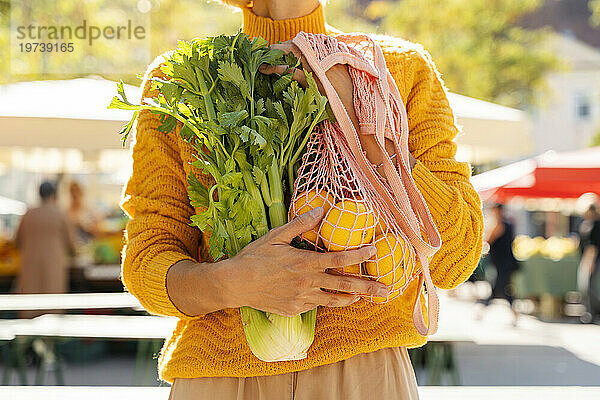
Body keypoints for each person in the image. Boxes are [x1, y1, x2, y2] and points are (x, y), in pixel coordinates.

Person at [120, 1, 484, 398]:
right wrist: (230, 284)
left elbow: (455, 258)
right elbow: (146, 260)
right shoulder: (184, 80)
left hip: (363, 377)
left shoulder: (396, 69)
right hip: (221, 378)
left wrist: (361, 121)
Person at [13, 181, 77, 319]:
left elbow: (17, 241)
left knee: (30, 307)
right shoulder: (60, 214)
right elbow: (72, 245)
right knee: (52, 308)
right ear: (55, 194)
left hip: (29, 266)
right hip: (53, 266)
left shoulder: (28, 214)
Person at [480, 203, 520, 324]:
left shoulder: (499, 224)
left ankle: (482, 310)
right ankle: (514, 313)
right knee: (503, 288)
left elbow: (488, 239)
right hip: (504, 262)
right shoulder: (507, 223)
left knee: (500, 288)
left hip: (502, 263)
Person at [577, 204, 600, 323]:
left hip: (591, 259)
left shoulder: (596, 224)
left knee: (588, 287)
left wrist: (590, 261)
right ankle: (590, 311)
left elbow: (593, 246)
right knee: (585, 286)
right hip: (586, 258)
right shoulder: (587, 223)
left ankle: (592, 312)